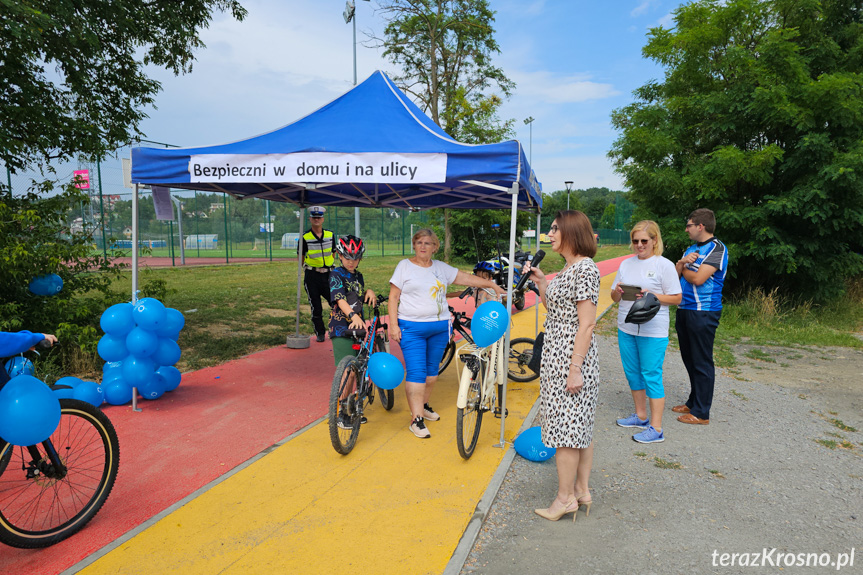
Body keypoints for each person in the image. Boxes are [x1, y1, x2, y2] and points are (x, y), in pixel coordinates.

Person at [388, 229, 505, 439]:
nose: (423, 246)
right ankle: (416, 419)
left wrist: (490, 284)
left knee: (432, 373)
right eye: (419, 242)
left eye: (428, 243)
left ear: (435, 247)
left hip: (439, 327)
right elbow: (393, 297)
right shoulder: (404, 267)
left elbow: (466, 279)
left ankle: (423, 406)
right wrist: (393, 325)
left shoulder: (440, 268)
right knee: (416, 372)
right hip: (411, 327)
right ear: (414, 245)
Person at [525, 210, 600, 522]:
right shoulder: (569, 268)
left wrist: (575, 368)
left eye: (556, 229)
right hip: (558, 357)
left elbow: (586, 324)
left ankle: (564, 499)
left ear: (572, 232)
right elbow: (556, 310)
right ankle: (581, 490)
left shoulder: (585, 270)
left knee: (566, 431)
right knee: (578, 426)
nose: (551, 234)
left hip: (571, 360)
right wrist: (543, 284)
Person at [611, 221, 682, 444]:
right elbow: (614, 297)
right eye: (635, 241)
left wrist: (651, 295)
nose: (639, 245)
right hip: (627, 325)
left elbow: (677, 298)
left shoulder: (665, 265)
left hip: (653, 329)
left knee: (651, 374)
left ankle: (656, 428)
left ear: (654, 241)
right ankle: (641, 416)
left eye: (644, 241)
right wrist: (618, 291)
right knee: (632, 372)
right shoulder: (625, 264)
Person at [674, 208, 728, 425]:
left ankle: (701, 413)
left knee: (702, 361)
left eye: (689, 225)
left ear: (700, 226)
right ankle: (693, 401)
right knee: (689, 358)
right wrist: (681, 264)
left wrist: (683, 266)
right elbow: (675, 274)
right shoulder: (691, 248)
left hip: (703, 311)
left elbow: (698, 279)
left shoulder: (717, 248)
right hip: (685, 308)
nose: (686, 229)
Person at [328, 235, 376, 429]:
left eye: (355, 257)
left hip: (358, 328)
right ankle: (342, 412)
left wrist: (369, 292)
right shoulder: (335, 274)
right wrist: (352, 316)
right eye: (347, 256)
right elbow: (340, 298)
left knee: (357, 368)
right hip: (341, 327)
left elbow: (355, 296)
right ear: (339, 255)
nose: (351, 261)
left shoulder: (358, 275)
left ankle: (352, 405)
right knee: (347, 369)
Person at [298, 206, 335, 342]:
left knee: (335, 303)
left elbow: (334, 252)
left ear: (323, 219)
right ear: (310, 219)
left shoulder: (330, 235)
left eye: (319, 217)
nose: (317, 219)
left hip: (328, 275)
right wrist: (306, 268)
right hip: (312, 276)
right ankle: (320, 332)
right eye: (314, 217)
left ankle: (334, 328)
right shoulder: (305, 237)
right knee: (316, 306)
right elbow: (301, 255)